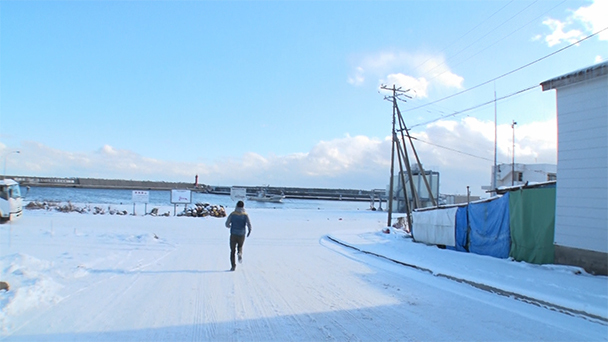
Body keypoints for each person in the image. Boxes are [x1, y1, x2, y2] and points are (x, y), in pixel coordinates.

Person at [225, 200, 252, 271]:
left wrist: (229, 226)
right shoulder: (245, 215)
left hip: (233, 234)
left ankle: (233, 266)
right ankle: (240, 253)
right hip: (242, 234)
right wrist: (249, 231)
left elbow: (227, 224)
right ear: (243, 206)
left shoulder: (232, 214)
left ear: (236, 206)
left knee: (232, 251)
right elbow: (249, 224)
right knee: (240, 246)